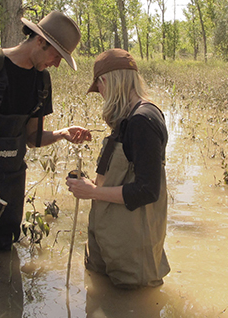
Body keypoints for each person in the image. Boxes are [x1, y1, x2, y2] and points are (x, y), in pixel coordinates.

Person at [0, 11, 92, 267]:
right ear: (40, 41)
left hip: (11, 182)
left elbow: (32, 138)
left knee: (3, 254)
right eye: (57, 56)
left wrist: (62, 134)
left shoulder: (41, 81)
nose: (56, 64)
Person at [66, 48, 170, 288]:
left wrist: (92, 192)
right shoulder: (126, 118)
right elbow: (122, 177)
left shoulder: (143, 120)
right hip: (109, 240)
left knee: (133, 303)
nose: (100, 94)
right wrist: (89, 185)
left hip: (132, 248)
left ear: (106, 81)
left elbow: (147, 191)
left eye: (99, 87)